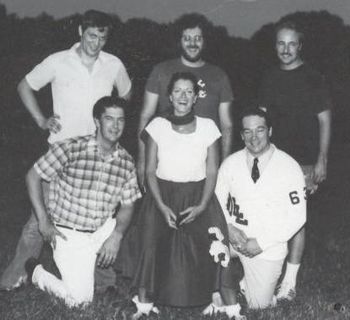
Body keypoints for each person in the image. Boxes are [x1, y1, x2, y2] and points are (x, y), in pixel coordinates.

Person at [0, 10, 132, 292]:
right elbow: (25, 85)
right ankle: (15, 276)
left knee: (100, 218)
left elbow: (127, 93)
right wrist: (40, 119)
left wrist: (112, 117)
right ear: (80, 33)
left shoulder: (113, 64)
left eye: (102, 37)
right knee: (39, 219)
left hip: (98, 155)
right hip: (62, 154)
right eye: (91, 36)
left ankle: (104, 282)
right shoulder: (58, 61)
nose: (96, 43)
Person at [131, 72, 245, 319]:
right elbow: (150, 170)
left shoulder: (208, 127)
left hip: (199, 195)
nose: (183, 96)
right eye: (178, 91)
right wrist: (161, 206)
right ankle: (144, 305)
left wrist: (202, 205)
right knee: (151, 242)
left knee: (218, 242)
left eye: (189, 92)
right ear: (170, 96)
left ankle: (228, 306)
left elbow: (212, 169)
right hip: (162, 195)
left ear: (195, 97)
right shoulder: (157, 126)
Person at [24, 96, 141, 307]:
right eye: (109, 119)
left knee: (137, 230)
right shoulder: (70, 148)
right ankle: (37, 273)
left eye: (120, 120)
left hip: (101, 229)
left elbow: (129, 205)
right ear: (97, 121)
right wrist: (43, 221)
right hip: (70, 233)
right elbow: (33, 176)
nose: (115, 126)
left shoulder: (126, 161)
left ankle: (129, 288)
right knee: (80, 302)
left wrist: (116, 236)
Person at [258, 21, 332, 300]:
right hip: (274, 158)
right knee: (268, 215)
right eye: (280, 43)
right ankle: (268, 274)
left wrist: (321, 160)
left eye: (291, 43)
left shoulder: (314, 77)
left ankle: (289, 283)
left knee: (296, 219)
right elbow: (261, 119)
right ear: (275, 46)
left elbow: (324, 120)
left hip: (303, 161)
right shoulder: (268, 77)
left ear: (300, 46)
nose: (286, 49)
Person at [215, 107, 307, 309]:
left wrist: (262, 242)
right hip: (233, 236)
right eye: (247, 131)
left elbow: (298, 217)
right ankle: (214, 291)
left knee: (258, 305)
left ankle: (249, 285)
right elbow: (217, 202)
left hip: (266, 245)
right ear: (241, 135)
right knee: (202, 241)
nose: (254, 137)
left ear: (270, 131)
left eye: (260, 130)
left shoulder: (288, 166)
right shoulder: (230, 163)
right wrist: (228, 227)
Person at [137, 13, 234, 188]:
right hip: (164, 165)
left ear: (205, 41)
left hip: (204, 167)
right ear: (179, 40)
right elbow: (146, 115)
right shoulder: (161, 70)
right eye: (187, 38)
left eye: (197, 38)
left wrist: (225, 165)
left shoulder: (219, 75)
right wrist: (142, 160)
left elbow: (226, 124)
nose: (192, 43)